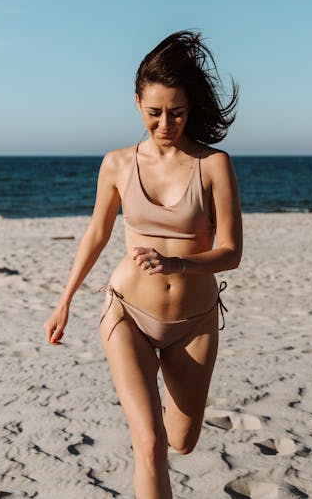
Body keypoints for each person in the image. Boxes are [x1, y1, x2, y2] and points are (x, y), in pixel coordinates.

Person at [44, 30, 243, 499]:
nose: (165, 123)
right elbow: (97, 233)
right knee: (149, 445)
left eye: (175, 111)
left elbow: (231, 253)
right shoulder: (116, 164)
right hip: (126, 312)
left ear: (190, 106)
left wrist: (177, 262)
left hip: (193, 322)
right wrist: (64, 301)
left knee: (182, 441)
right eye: (154, 112)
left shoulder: (214, 165)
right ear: (137, 103)